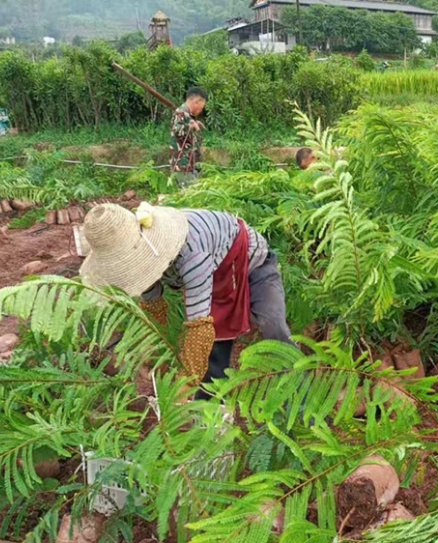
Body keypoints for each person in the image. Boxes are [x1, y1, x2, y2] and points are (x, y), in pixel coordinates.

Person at [80, 202, 294, 399]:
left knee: (272, 323)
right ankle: (209, 407)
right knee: (216, 344)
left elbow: (199, 328)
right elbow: (155, 312)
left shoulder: (191, 253)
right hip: (214, 271)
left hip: (251, 261)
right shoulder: (144, 262)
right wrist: (156, 356)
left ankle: (299, 378)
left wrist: (182, 387)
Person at [170, 87, 207, 186]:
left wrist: (194, 124)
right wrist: (190, 126)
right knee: (188, 195)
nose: (201, 110)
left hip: (190, 164)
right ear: (196, 102)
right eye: (201, 107)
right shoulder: (181, 113)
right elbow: (177, 130)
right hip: (183, 164)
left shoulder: (187, 115)